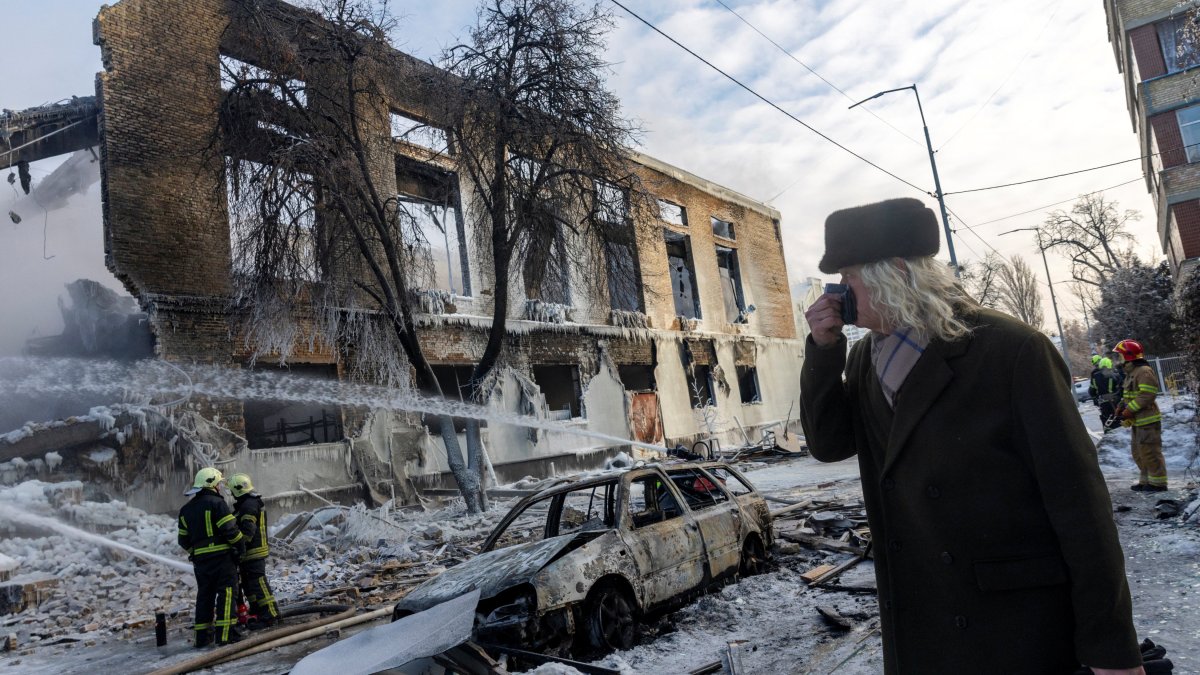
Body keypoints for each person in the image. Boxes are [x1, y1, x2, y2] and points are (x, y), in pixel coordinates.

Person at [800, 197, 1143, 674]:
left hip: (1012, 625)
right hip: (921, 616)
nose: (838, 295)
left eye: (849, 278)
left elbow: (1080, 505)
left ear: (895, 273)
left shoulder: (1011, 349)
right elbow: (828, 444)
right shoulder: (862, 359)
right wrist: (822, 351)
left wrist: (1112, 650)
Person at [178, 467, 246, 647]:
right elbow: (230, 530)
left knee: (204, 597)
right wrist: (241, 546)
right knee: (227, 594)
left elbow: (182, 540)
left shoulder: (186, 510)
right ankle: (226, 636)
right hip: (222, 559)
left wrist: (195, 552)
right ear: (213, 485)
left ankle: (202, 638)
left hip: (201, 563)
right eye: (218, 484)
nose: (220, 488)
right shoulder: (217, 504)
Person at [1112, 340, 1166, 492]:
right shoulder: (1131, 372)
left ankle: (1159, 484)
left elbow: (1148, 394)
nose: (1118, 359)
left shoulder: (1143, 371)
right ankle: (1146, 481)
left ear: (1129, 356)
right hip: (1138, 421)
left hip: (1147, 420)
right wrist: (1121, 406)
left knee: (1150, 452)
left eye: (1120, 355)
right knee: (1139, 453)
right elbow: (1130, 393)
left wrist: (1130, 409)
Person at [227, 473, 279, 629]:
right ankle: (258, 611)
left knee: (258, 583)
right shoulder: (249, 502)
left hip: (253, 552)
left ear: (235, 490)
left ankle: (270, 615)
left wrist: (238, 546)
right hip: (250, 553)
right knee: (250, 585)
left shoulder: (248, 505)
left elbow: (248, 532)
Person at [1091, 356, 1122, 431]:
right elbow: (1122, 389)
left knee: (1107, 422)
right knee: (1118, 421)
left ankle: (1109, 436)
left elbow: (1092, 391)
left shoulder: (1094, 376)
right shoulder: (1116, 375)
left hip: (1103, 403)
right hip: (1115, 402)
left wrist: (1095, 399)